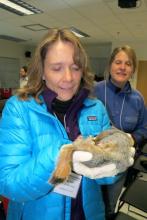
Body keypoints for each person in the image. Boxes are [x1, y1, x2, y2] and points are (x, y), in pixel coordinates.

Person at [0, 29, 133, 220]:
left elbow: (104, 176)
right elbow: (9, 183)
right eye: (57, 68)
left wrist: (115, 157)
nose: (69, 78)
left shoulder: (95, 108)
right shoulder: (19, 109)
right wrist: (62, 156)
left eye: (76, 67)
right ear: (42, 71)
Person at [94, 45, 147, 220]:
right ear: (110, 65)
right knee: (90, 204)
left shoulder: (138, 99)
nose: (122, 67)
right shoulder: (93, 91)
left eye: (128, 64)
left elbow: (144, 127)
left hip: (119, 165)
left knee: (110, 206)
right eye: (118, 62)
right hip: (92, 160)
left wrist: (132, 138)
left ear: (132, 70)